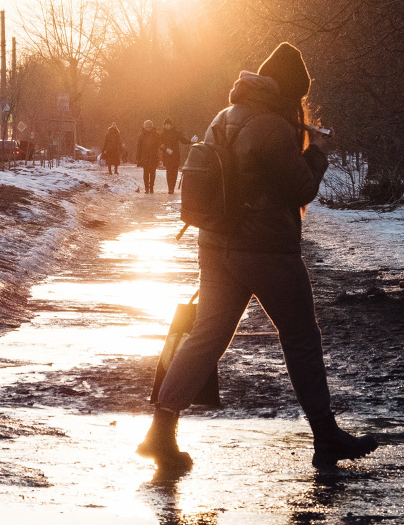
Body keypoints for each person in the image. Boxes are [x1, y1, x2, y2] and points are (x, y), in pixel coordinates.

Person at [136, 42, 378, 470]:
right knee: (301, 335)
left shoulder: (225, 116)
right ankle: (325, 436)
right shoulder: (271, 125)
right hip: (264, 247)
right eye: (299, 96)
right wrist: (317, 152)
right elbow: (301, 188)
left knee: (206, 338)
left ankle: (160, 431)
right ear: (289, 91)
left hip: (215, 245)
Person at [159, 118, 190, 194]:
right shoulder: (162, 134)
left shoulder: (176, 133)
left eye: (168, 124)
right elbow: (159, 144)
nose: (167, 126)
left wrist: (191, 141)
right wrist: (166, 149)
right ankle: (170, 188)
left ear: (171, 125)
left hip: (175, 155)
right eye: (165, 125)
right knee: (169, 172)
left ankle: (172, 186)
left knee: (175, 172)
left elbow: (183, 140)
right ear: (164, 126)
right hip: (167, 156)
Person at [136, 119, 161, 193]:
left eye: (150, 127)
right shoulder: (141, 136)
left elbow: (159, 144)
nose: (148, 129)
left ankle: (151, 187)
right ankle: (147, 187)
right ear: (144, 127)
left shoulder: (156, 135)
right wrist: (138, 157)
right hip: (145, 157)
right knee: (146, 173)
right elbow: (139, 147)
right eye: (147, 127)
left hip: (154, 156)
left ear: (152, 127)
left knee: (153, 173)